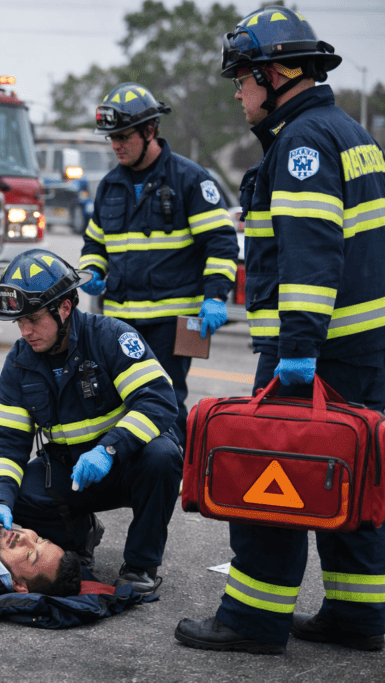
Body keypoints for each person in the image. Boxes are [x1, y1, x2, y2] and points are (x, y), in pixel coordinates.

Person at [174, 6, 385, 655]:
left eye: (242, 80)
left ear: (273, 74)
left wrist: (296, 352)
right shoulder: (348, 132)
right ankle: (358, 615)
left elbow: (310, 257)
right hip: (362, 351)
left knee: (274, 476)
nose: (238, 94)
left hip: (316, 353)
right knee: (346, 474)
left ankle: (252, 620)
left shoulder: (301, 145)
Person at [0, 249, 182, 598]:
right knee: (21, 495)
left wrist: (109, 449)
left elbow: (159, 401)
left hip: (122, 463)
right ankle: (77, 539)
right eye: (19, 322)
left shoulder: (111, 337)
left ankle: (140, 565)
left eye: (34, 319)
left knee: (163, 456)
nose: (26, 331)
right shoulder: (19, 362)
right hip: (69, 472)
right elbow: (5, 440)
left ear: (65, 309)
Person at [79, 83, 239, 446]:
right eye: (111, 138)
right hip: (120, 319)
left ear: (150, 130)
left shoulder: (190, 179)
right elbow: (95, 242)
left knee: (165, 398)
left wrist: (215, 296)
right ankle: (128, 473)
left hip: (176, 320)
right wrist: (92, 270)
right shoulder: (109, 186)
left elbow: (221, 241)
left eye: (123, 136)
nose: (116, 145)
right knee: (118, 400)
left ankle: (172, 472)